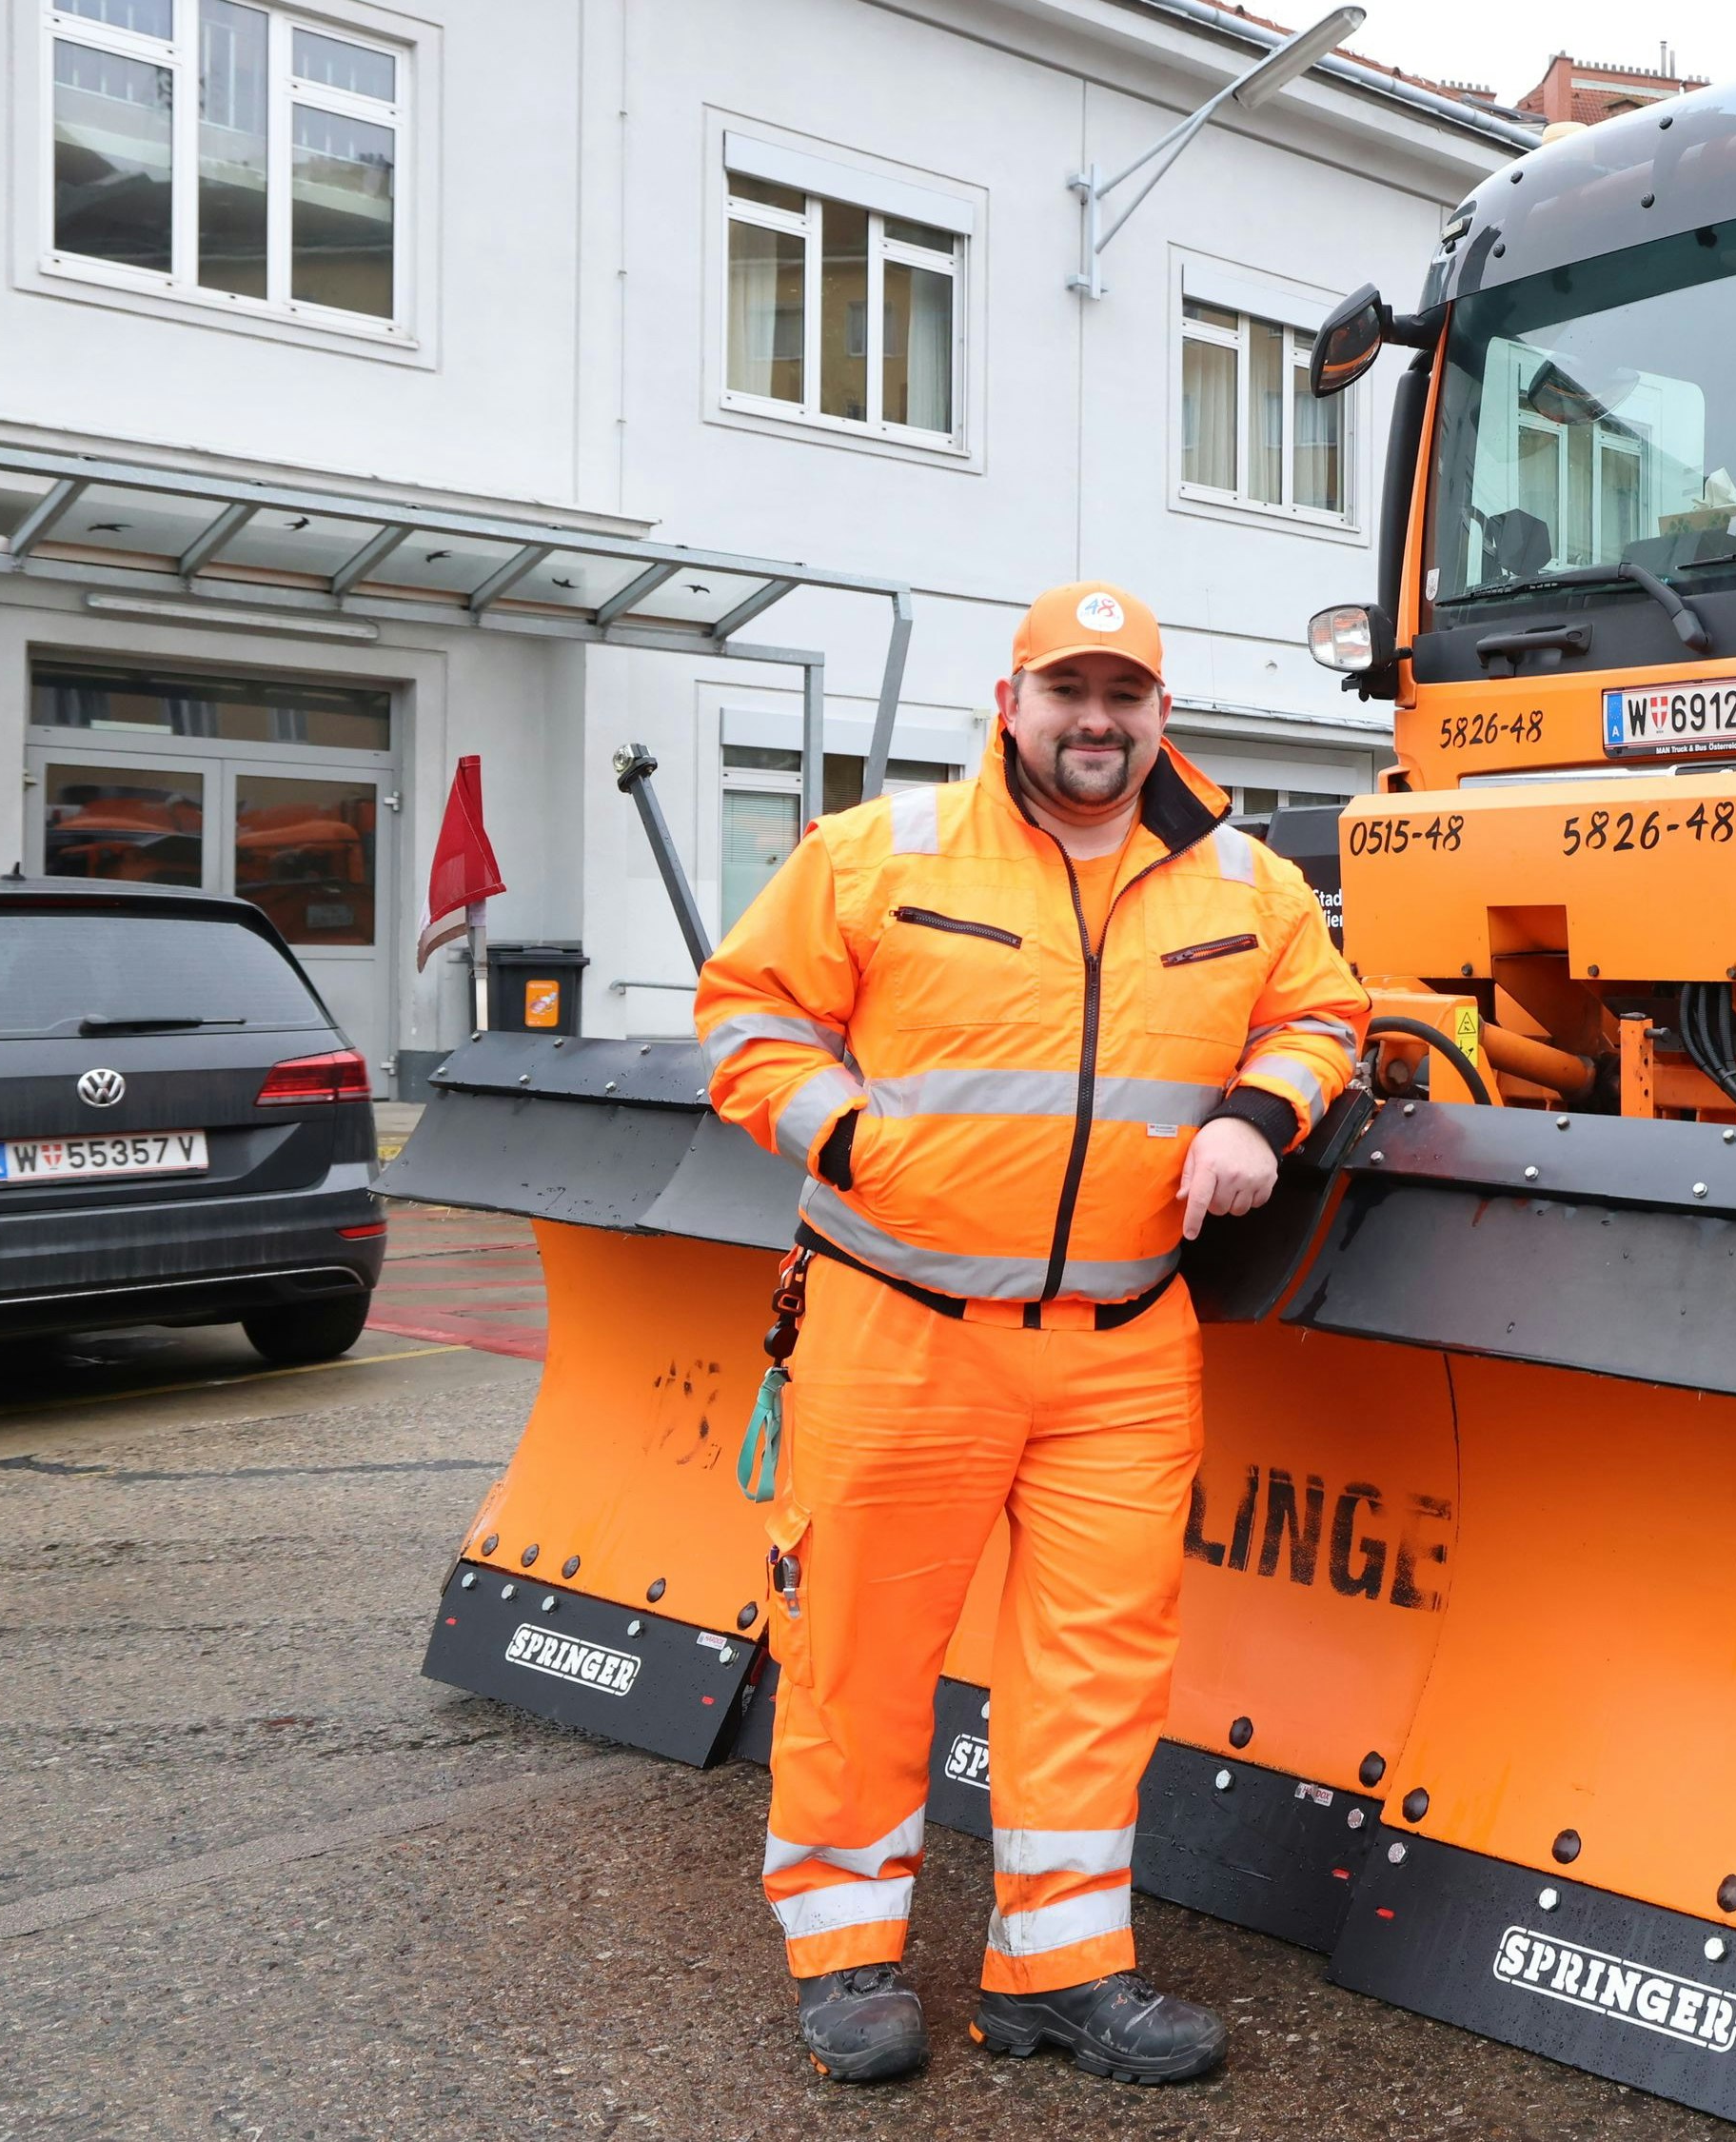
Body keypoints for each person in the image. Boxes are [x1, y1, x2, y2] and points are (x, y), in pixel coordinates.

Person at [695, 580, 1367, 2086]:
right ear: (1011, 705)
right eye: (1068, 691)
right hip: (900, 1325)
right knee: (862, 1646)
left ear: (1160, 717)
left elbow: (1323, 1014)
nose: (1096, 720)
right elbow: (746, 1014)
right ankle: (847, 1954)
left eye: (1124, 695)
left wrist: (1266, 1113)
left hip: (1123, 1342)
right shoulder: (877, 851)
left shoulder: (1244, 884)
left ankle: (1058, 1971)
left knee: (1097, 1667)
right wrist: (851, 1139)